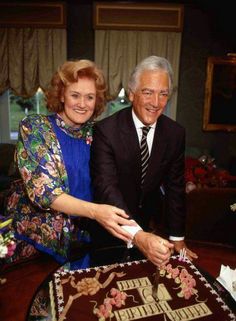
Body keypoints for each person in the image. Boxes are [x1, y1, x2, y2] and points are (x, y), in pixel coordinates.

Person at [6, 59, 135, 267]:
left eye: (89, 97)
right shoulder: (35, 128)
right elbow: (45, 193)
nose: (82, 104)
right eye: (75, 95)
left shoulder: (99, 134)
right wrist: (96, 211)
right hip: (36, 247)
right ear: (62, 95)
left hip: (83, 243)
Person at [90, 56, 198, 267]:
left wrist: (177, 238)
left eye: (163, 94)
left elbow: (175, 187)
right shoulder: (106, 131)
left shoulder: (175, 133)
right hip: (108, 232)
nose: (156, 103)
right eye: (147, 92)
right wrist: (137, 235)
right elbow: (106, 188)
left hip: (150, 227)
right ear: (131, 93)